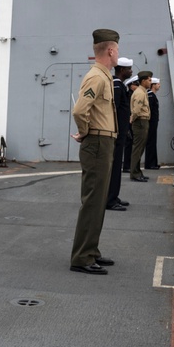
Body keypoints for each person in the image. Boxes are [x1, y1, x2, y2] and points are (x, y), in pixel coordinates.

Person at [70, 28, 120, 275]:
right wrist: (85, 131)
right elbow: (80, 111)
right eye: (117, 49)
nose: (118, 53)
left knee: (98, 202)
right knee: (93, 202)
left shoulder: (104, 76)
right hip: (98, 143)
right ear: (111, 50)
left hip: (103, 143)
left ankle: (91, 251)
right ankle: (82, 257)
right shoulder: (98, 77)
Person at [107, 57, 134, 211]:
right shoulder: (117, 85)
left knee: (117, 167)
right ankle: (110, 200)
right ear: (122, 70)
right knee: (115, 166)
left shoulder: (119, 84)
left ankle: (114, 196)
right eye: (129, 68)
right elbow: (114, 110)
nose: (131, 71)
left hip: (121, 132)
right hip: (116, 134)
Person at [128, 70, 153, 182]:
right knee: (137, 148)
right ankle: (135, 173)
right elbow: (137, 110)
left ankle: (137, 171)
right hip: (140, 122)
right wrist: (133, 119)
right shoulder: (139, 93)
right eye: (149, 80)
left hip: (142, 121)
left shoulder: (142, 92)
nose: (150, 82)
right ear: (143, 81)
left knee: (140, 148)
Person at [122, 74, 139, 172]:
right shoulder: (129, 96)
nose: (137, 86)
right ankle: (127, 166)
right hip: (129, 122)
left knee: (131, 143)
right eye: (136, 84)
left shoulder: (133, 95)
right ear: (131, 85)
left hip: (131, 121)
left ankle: (129, 165)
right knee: (128, 144)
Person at [145, 73, 161, 169]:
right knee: (151, 142)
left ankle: (153, 163)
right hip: (151, 122)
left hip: (153, 122)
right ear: (153, 85)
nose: (159, 85)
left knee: (152, 141)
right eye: (158, 84)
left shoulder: (152, 95)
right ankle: (150, 164)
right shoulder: (150, 96)